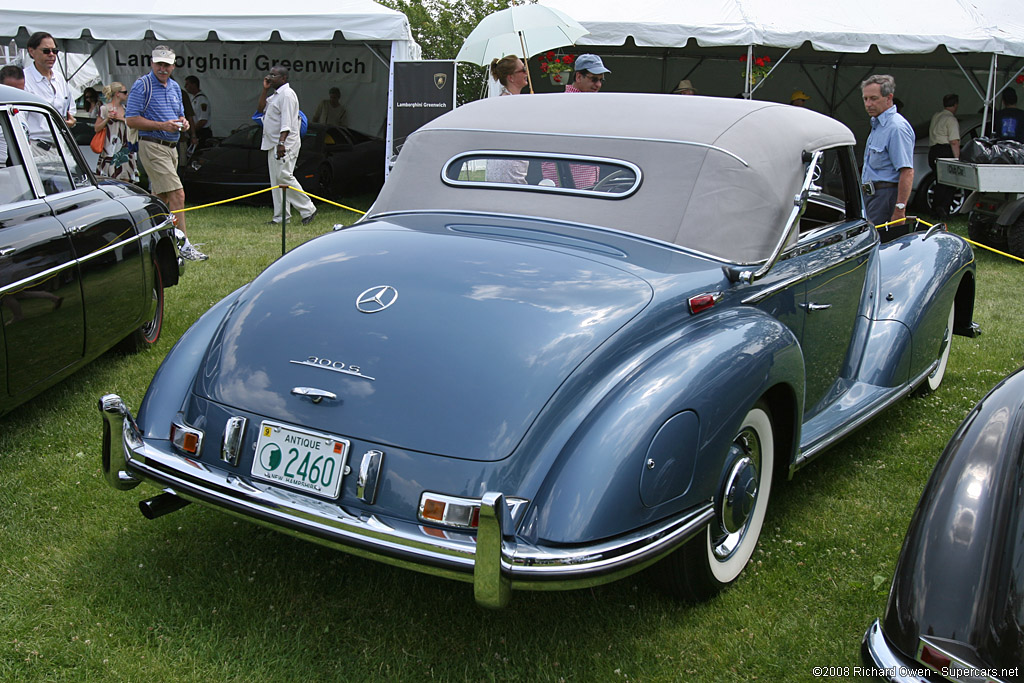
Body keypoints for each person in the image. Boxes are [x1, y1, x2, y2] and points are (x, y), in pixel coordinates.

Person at [125, 45, 206, 261]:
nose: (163, 68)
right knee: (177, 194)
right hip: (152, 145)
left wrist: (184, 124)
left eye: (167, 64)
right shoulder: (142, 85)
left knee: (158, 198)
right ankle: (184, 245)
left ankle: (147, 242)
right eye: (159, 63)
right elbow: (131, 119)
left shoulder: (174, 87)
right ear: (152, 63)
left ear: (173, 65)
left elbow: (179, 115)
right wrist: (163, 125)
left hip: (171, 147)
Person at [257, 65, 316, 226]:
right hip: (272, 143)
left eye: (274, 75)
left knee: (284, 176)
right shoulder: (275, 95)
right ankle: (281, 217)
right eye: (269, 74)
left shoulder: (288, 95)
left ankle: (308, 209)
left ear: (283, 78)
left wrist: (282, 143)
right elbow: (260, 109)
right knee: (276, 181)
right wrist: (264, 90)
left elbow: (287, 121)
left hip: (285, 143)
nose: (270, 77)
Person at [861, 74, 914, 226]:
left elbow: (907, 171)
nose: (868, 104)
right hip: (872, 195)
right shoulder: (877, 125)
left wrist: (899, 209)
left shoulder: (896, 128)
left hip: (886, 196)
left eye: (873, 98)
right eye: (865, 99)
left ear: (889, 98)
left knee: (880, 242)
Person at [23, 32, 75, 139]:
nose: (51, 55)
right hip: (36, 145)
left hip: (61, 143)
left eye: (55, 51)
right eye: (46, 51)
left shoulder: (60, 78)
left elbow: (71, 109)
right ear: (31, 52)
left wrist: (70, 121)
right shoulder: (24, 80)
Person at [94, 81, 138, 182]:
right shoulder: (104, 108)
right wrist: (107, 119)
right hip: (110, 148)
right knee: (109, 179)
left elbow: (133, 124)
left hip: (125, 147)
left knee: (126, 177)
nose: (127, 94)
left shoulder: (126, 109)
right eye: (124, 92)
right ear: (117, 93)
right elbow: (96, 128)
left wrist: (122, 119)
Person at [928, 93, 960, 217]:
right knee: (949, 182)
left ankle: (935, 208)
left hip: (933, 151)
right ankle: (943, 208)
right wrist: (957, 159)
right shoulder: (951, 119)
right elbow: (954, 141)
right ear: (956, 104)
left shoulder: (936, 116)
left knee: (938, 181)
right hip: (945, 151)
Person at [183, 75, 212, 145]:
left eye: (187, 84)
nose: (185, 86)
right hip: (196, 132)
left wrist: (192, 131)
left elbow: (203, 120)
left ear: (194, 85)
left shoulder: (202, 100)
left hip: (201, 133)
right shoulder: (194, 99)